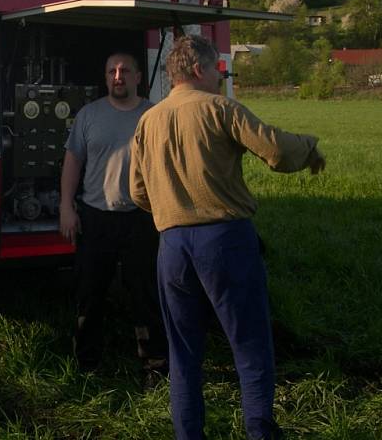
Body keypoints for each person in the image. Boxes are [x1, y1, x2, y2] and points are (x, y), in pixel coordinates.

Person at [129, 35, 325, 440]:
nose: (220, 78)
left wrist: (172, 209)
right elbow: (277, 152)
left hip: (171, 247)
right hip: (224, 240)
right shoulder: (220, 108)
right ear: (199, 69)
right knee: (250, 345)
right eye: (217, 70)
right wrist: (310, 147)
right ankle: (259, 431)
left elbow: (137, 191)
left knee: (183, 355)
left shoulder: (148, 120)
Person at [60, 52, 168, 377]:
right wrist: (67, 206)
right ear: (106, 78)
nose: (117, 76)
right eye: (111, 71)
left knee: (146, 295)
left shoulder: (155, 115)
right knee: (90, 294)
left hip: (142, 217)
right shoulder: (89, 115)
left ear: (138, 77)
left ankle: (155, 366)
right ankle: (88, 365)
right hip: (96, 219)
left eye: (124, 71)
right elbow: (73, 161)